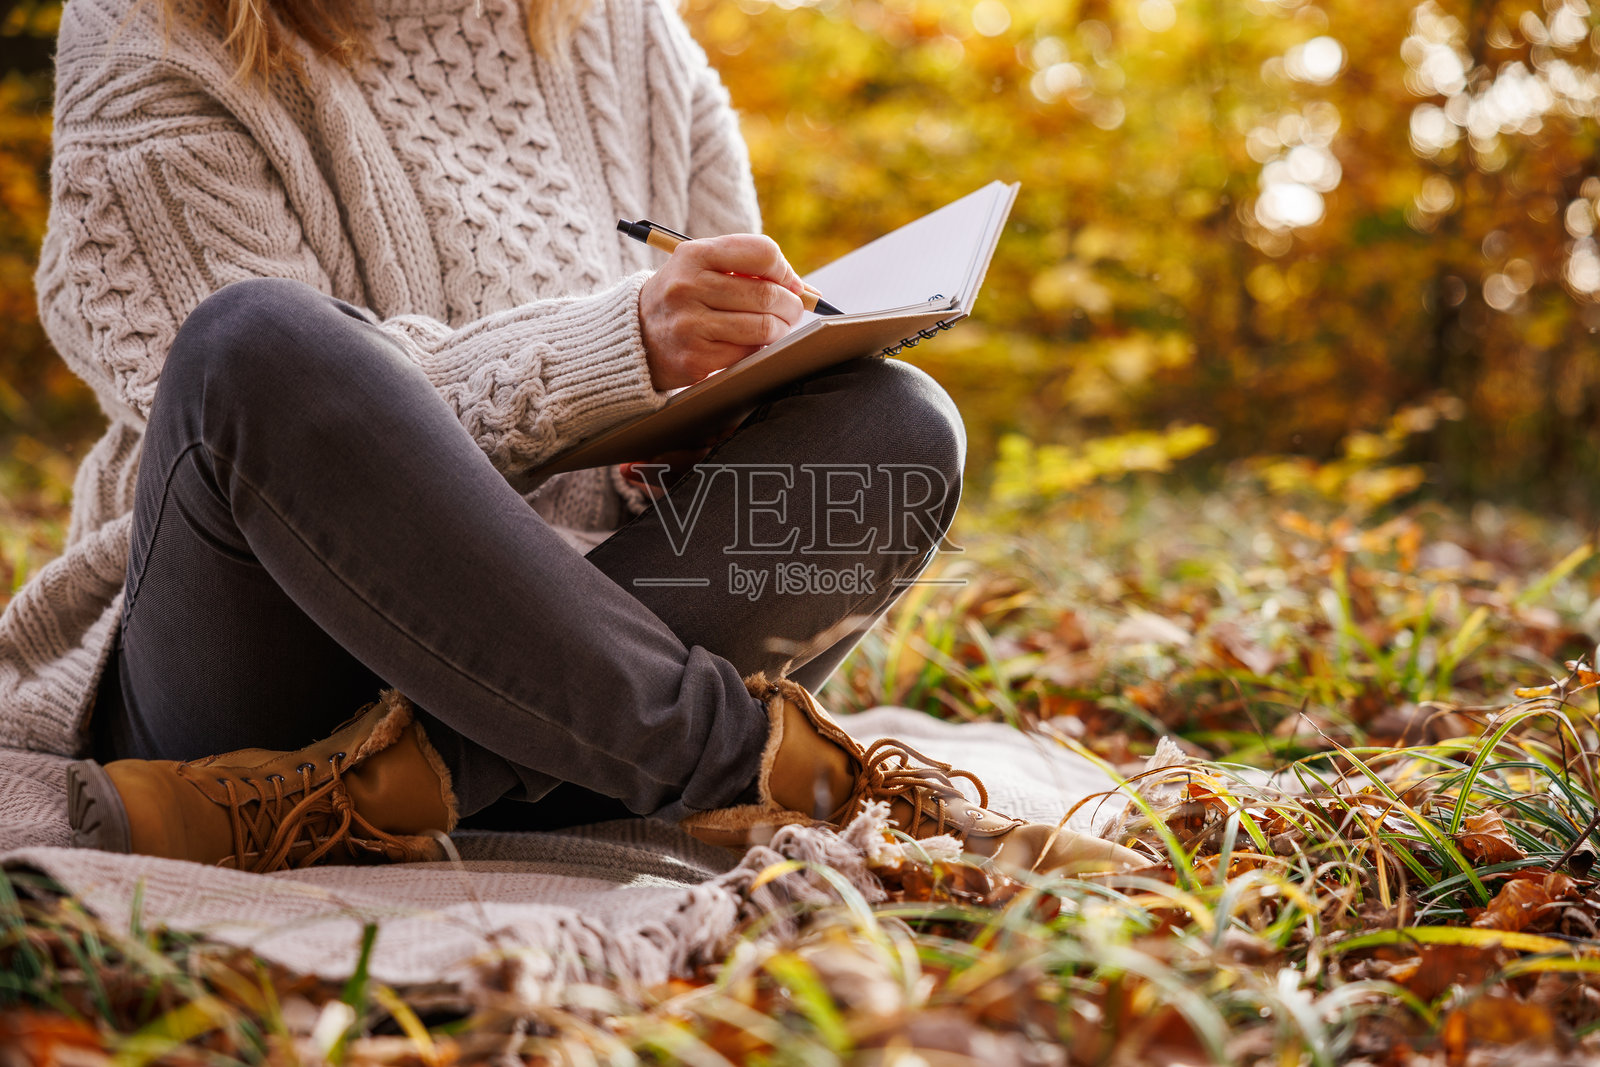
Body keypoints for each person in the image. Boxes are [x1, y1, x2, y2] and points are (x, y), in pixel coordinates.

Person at [8, 0, 1141, 874]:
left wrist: (723, 397)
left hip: (594, 648)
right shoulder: (154, 29)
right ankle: (783, 775)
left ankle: (357, 794)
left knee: (898, 424)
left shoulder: (624, 26)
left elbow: (740, 317)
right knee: (254, 338)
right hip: (263, 669)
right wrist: (617, 350)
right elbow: (238, 404)